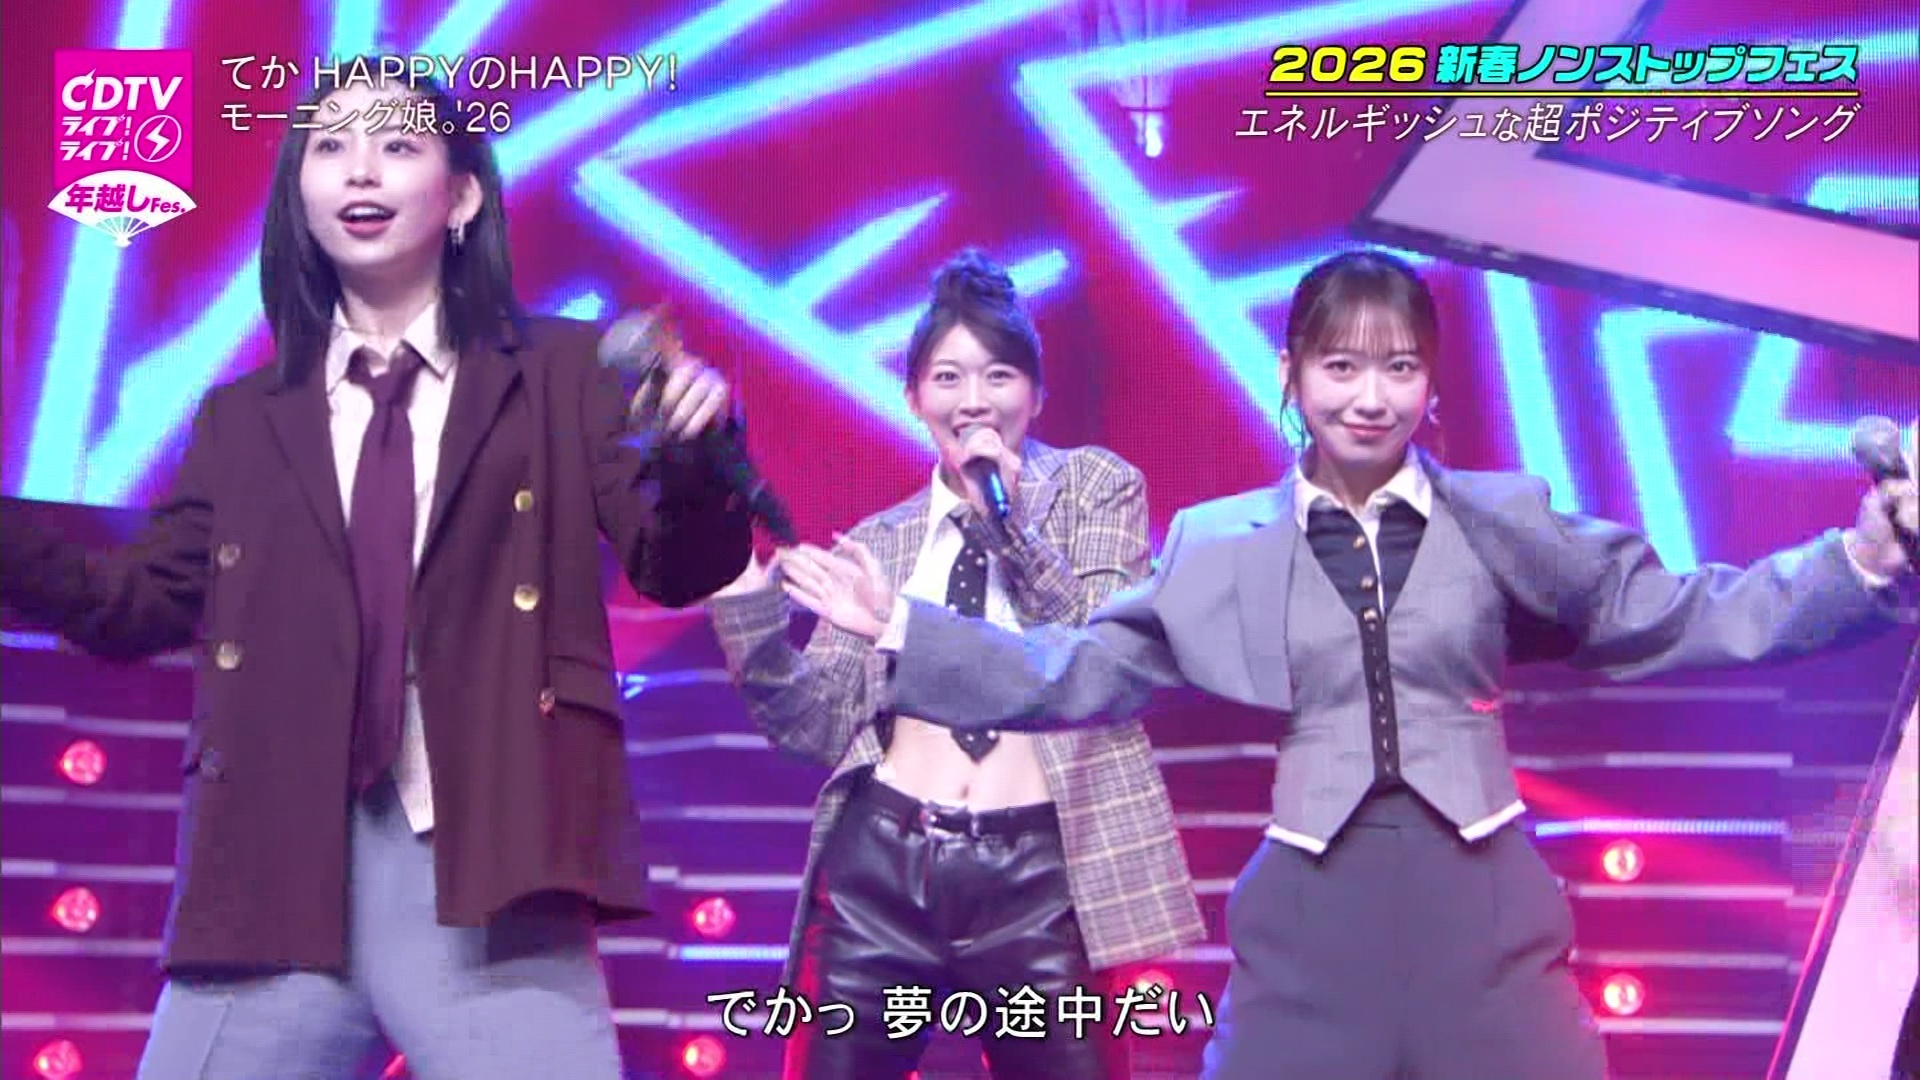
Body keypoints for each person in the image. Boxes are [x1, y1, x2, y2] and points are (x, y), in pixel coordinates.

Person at [774, 249, 1919, 1080]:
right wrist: (904, 631)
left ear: (1430, 383)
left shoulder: (1502, 519)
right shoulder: (1224, 544)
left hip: (1487, 910)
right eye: (1341, 367)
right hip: (1309, 918)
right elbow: (1081, 669)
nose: (1370, 398)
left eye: (1399, 368)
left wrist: (1861, 559)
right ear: (1291, 374)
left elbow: (1674, 612)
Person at [0, 71, 754, 1080]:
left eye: (397, 146)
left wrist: (698, 458)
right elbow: (128, 606)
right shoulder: (244, 420)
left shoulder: (564, 374)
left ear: (463, 195)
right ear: (300, 196)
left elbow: (679, 565)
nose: (360, 169)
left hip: (491, 877)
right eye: (331, 147)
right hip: (276, 875)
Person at [707, 249, 1203, 1079]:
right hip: (879, 871)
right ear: (914, 399)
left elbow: (1098, 658)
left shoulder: (1095, 488)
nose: (973, 400)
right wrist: (748, 612)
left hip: (1043, 880)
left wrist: (1004, 524)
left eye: (998, 375)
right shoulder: (883, 540)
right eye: (947, 378)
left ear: (1036, 395)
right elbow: (816, 726)